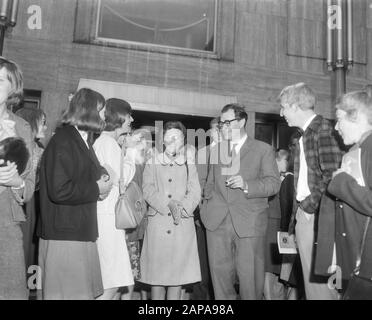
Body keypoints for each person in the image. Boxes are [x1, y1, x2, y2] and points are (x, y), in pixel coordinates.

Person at [37, 88, 113, 300]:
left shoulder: (81, 140)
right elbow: (59, 190)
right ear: (88, 111)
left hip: (76, 231)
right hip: (66, 235)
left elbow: (85, 174)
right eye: (100, 110)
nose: (104, 116)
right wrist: (97, 188)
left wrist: (102, 178)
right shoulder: (64, 140)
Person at [202, 103, 281, 300]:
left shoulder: (263, 150)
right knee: (220, 280)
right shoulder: (217, 150)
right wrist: (206, 207)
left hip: (250, 222)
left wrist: (247, 185)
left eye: (228, 122)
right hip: (217, 222)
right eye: (222, 124)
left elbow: (273, 184)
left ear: (242, 121)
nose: (224, 127)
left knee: (250, 281)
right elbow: (209, 183)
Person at [278, 82, 342, 300]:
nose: (281, 113)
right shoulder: (301, 136)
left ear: (295, 105)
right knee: (313, 284)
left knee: (321, 287)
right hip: (306, 215)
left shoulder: (323, 130)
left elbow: (332, 176)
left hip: (317, 215)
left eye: (284, 107)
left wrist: (308, 207)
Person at [316, 86, 372, 295]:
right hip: (354, 261)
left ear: (356, 116)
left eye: (339, 119)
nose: (336, 127)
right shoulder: (357, 149)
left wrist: (341, 183)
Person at [140, 121, 201, 300]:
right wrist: (166, 206)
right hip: (158, 224)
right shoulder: (153, 161)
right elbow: (147, 189)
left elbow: (195, 191)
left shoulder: (189, 163)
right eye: (169, 137)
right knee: (156, 279)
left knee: (177, 278)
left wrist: (182, 209)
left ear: (183, 140)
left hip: (181, 225)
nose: (173, 141)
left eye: (178, 137)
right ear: (163, 140)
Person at [0, 57, 36, 300]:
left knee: (12, 293)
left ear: (13, 88)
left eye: (1, 80)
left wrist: (16, 182)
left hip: (6, 222)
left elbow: (29, 185)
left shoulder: (22, 128)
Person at [93, 98, 135, 300]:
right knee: (111, 282)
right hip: (108, 220)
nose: (131, 119)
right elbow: (122, 179)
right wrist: (130, 154)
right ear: (119, 117)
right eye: (128, 115)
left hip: (106, 217)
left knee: (112, 281)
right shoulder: (108, 144)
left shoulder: (104, 143)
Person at [15, 107, 47, 273]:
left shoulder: (41, 150)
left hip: (34, 204)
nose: (45, 127)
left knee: (30, 248)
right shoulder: (16, 147)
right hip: (17, 203)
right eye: (42, 123)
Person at [193, 117, 220, 300]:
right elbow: (197, 185)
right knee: (203, 264)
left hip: (228, 218)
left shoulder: (234, 153)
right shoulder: (203, 154)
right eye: (214, 130)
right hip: (206, 216)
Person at [263, 149, 290, 300]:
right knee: (269, 265)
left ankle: (278, 296)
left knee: (282, 266)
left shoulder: (289, 178)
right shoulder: (270, 177)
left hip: (283, 225)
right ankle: (268, 296)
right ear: (279, 160)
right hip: (271, 224)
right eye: (287, 161)